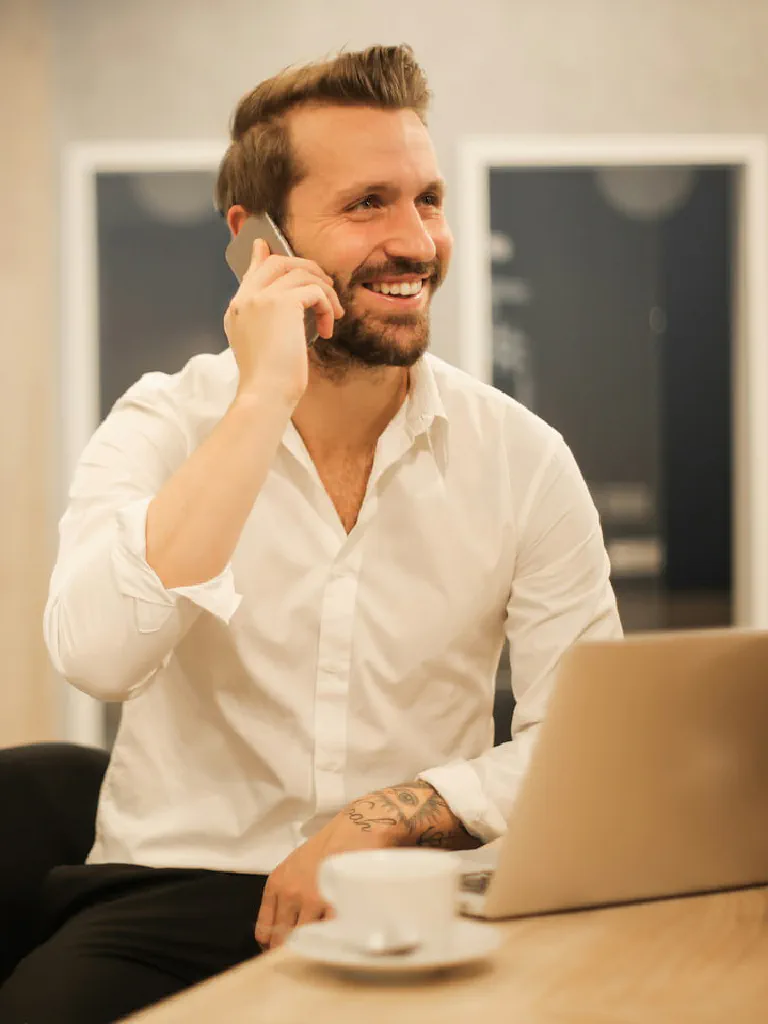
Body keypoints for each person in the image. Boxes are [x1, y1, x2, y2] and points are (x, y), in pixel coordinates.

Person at [0, 43, 622, 1024]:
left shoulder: (523, 459)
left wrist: (385, 816)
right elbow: (98, 656)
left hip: (417, 893)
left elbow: (581, 745)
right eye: (368, 203)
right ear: (259, 242)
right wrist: (263, 399)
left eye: (427, 199)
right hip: (169, 892)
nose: (416, 240)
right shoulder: (163, 424)